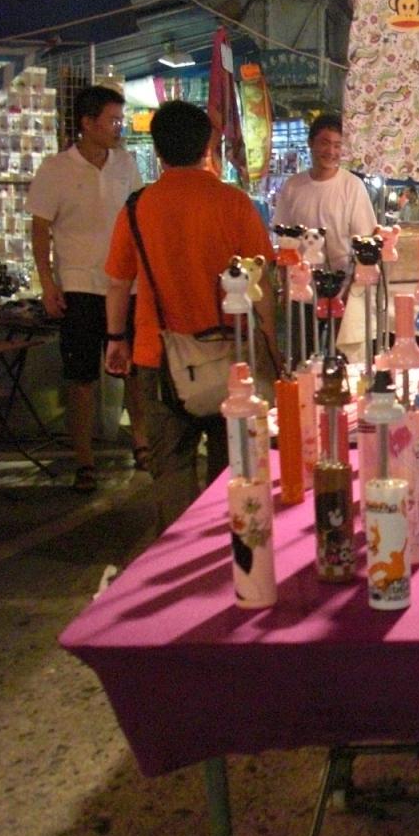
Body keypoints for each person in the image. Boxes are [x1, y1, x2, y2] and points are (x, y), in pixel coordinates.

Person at [104, 101, 274, 530]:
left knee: (173, 468)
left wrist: (115, 339)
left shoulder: (137, 207)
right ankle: (228, 548)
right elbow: (263, 286)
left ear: (157, 150)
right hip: (232, 355)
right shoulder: (234, 203)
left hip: (158, 356)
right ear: (208, 146)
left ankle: (176, 548)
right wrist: (271, 347)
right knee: (231, 467)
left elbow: (118, 283)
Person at [28, 84, 149, 493]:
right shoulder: (56, 169)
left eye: (120, 120)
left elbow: (137, 215)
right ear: (87, 123)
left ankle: (142, 443)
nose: (119, 127)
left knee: (133, 370)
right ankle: (84, 461)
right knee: (81, 377)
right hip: (79, 284)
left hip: (126, 284)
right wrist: (48, 282)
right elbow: (40, 229)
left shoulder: (125, 163)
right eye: (113, 120)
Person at [273, 113, 377, 358]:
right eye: (325, 143)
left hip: (342, 289)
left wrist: (353, 287)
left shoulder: (352, 186)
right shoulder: (293, 186)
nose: (331, 151)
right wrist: (284, 285)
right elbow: (284, 239)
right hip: (302, 289)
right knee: (302, 357)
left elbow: (365, 239)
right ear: (311, 143)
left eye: (337, 145)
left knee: (341, 358)